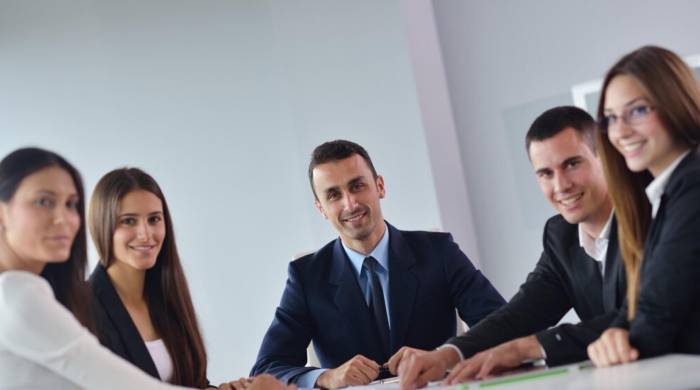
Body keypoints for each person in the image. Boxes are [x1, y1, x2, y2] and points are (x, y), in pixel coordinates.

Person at [397, 106, 626, 388]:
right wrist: (447, 354)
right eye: (545, 173)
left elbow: (645, 315)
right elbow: (522, 313)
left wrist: (526, 348)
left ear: (604, 156)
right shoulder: (560, 234)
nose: (561, 185)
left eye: (571, 164)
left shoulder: (654, 218)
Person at [250, 140, 505, 389]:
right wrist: (326, 377)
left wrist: (445, 355)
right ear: (321, 208)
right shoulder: (306, 277)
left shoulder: (439, 252)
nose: (350, 204)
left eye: (357, 186)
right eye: (333, 195)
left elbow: (502, 326)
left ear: (379, 186)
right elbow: (266, 369)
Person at [0, 147, 188, 389]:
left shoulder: (22, 292)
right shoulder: (18, 296)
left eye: (71, 204)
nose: (63, 218)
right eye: (44, 201)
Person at [587, 45, 700, 367]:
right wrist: (617, 331)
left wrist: (623, 342)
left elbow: (660, 312)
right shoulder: (667, 192)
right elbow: (643, 300)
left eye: (637, 110)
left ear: (674, 102)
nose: (620, 132)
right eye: (610, 118)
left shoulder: (693, 183)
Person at [87, 167, 218, 387]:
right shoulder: (84, 309)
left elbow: (194, 384)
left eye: (154, 219)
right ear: (102, 225)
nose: (146, 234)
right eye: (129, 221)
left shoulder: (167, 296)